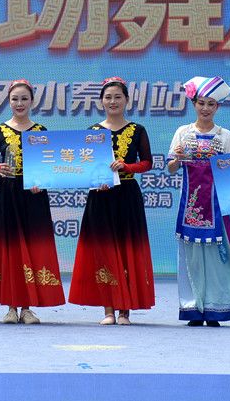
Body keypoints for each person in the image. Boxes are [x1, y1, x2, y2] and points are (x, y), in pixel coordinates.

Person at [69, 77, 155, 325]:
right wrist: (95, 179)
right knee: (103, 251)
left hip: (127, 196)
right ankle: (108, 310)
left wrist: (127, 166)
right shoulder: (92, 132)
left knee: (127, 249)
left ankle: (124, 311)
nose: (113, 101)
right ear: (101, 101)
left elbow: (147, 163)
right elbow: (83, 165)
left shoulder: (137, 130)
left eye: (118, 97)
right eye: (108, 97)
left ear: (127, 100)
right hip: (100, 197)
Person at [166, 76, 230, 326]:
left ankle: (215, 308)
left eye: (211, 104)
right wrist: (177, 159)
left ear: (218, 107)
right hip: (189, 205)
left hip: (217, 205)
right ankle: (193, 307)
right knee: (190, 258)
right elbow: (170, 168)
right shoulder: (182, 132)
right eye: (201, 103)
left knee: (215, 258)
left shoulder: (225, 135)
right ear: (194, 104)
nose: (205, 108)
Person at [0, 79, 65, 324]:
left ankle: (27, 308)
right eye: (14, 99)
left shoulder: (40, 131)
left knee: (31, 247)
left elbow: (49, 164)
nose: (19, 103)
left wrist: (43, 181)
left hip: (33, 196)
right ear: (8, 102)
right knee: (10, 249)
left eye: (24, 99)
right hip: (7, 194)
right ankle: (11, 307)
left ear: (32, 101)